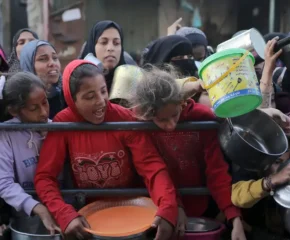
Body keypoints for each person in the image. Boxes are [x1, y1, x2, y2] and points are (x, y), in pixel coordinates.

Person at [34, 60, 178, 240]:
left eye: (103, 91)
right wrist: (64, 213)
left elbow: (152, 167)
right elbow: (44, 177)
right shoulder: (63, 124)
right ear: (72, 99)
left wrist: (168, 207)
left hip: (134, 212)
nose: (101, 101)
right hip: (90, 218)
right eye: (89, 96)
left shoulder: (123, 118)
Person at [131, 66, 246, 240]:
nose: (171, 125)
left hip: (204, 204)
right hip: (160, 205)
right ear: (147, 114)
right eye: (162, 120)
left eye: (175, 115)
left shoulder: (202, 118)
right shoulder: (142, 124)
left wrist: (234, 217)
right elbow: (155, 170)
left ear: (182, 102)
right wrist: (176, 206)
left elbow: (216, 171)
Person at [0, 72, 60, 236]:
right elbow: (4, 183)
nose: (43, 112)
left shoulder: (56, 128)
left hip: (59, 205)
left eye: (45, 103)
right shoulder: (6, 134)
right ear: (14, 111)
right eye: (34, 108)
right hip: (24, 215)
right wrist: (37, 208)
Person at [19, 40, 64, 119]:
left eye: (55, 58)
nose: (52, 63)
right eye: (43, 59)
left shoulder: (65, 98)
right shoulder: (20, 100)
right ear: (28, 64)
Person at [79, 20, 126, 91]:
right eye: (104, 42)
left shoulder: (131, 83)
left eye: (116, 43)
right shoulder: (77, 83)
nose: (110, 48)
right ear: (92, 46)